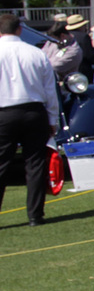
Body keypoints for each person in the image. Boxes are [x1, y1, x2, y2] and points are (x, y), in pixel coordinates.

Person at [0, 12, 62, 226]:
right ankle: (35, 215)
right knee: (35, 163)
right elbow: (50, 91)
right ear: (19, 29)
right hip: (34, 111)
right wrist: (52, 119)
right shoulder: (36, 53)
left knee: (1, 164)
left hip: (4, 112)